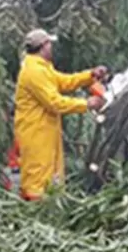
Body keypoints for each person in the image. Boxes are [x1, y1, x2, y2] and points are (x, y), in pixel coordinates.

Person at [12, 29, 107, 200]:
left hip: (44, 130)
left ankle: (48, 210)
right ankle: (35, 214)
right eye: (50, 44)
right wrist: (86, 104)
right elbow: (54, 102)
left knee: (49, 176)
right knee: (37, 177)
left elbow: (64, 81)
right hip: (36, 131)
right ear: (43, 46)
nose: (52, 48)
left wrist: (90, 75)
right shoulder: (34, 72)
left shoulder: (41, 67)